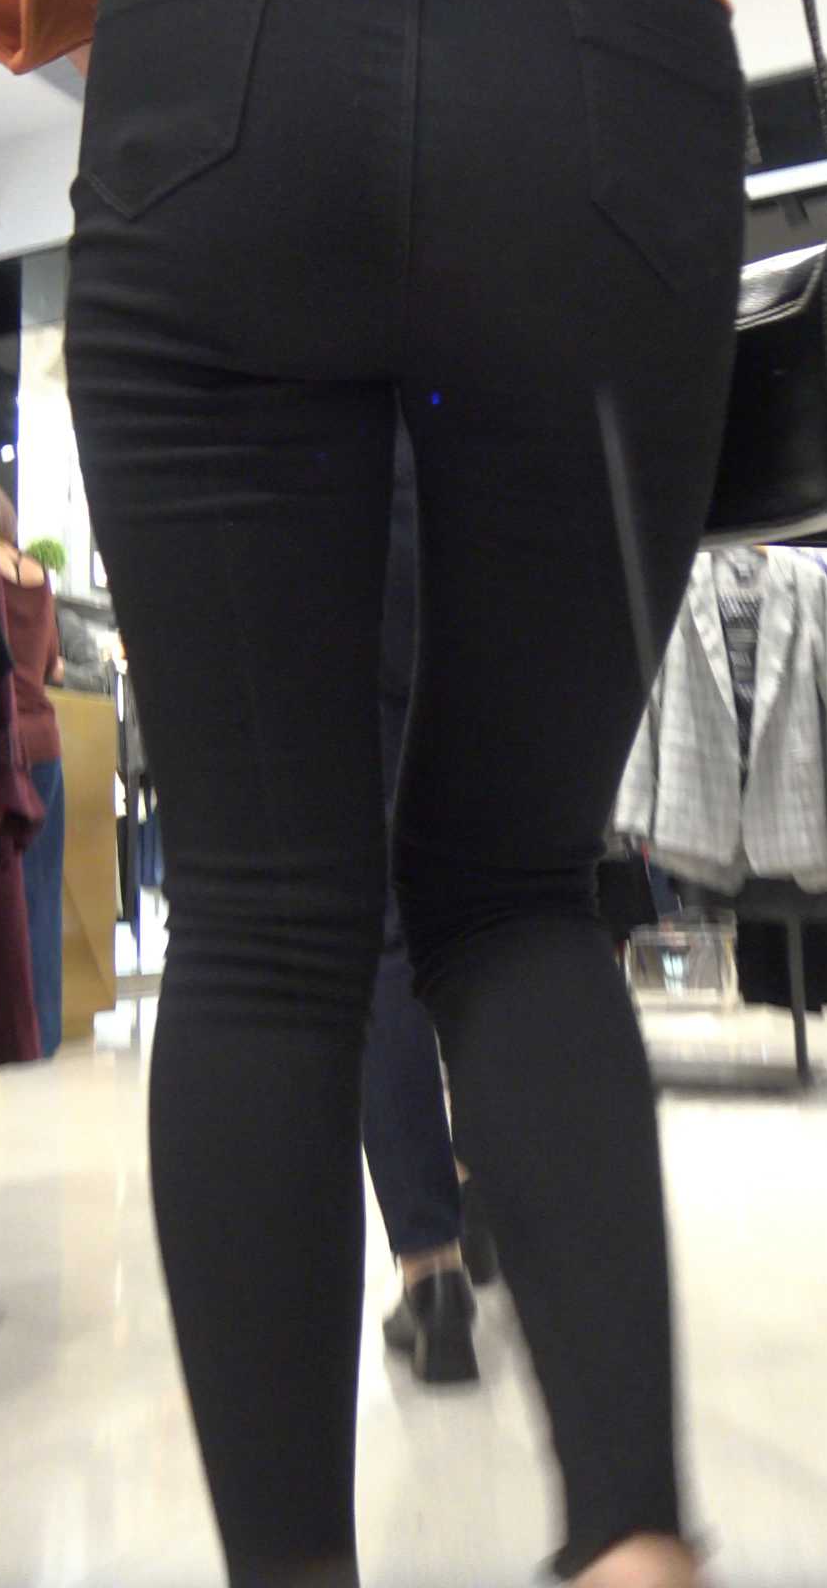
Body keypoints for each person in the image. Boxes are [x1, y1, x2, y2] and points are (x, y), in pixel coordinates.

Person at [0, 0, 827, 1586]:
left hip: (238, 35)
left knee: (265, 917)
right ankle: (636, 1551)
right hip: (604, 56)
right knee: (518, 888)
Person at [364, 420, 497, 1388]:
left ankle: (433, 1270)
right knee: (510, 910)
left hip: (349, 521)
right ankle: (480, 1178)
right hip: (488, 520)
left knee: (386, 938)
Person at [0, 477, 66, 1059]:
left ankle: (5, 1031)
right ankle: (47, 1031)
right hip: (46, 741)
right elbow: (54, 666)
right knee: (42, 889)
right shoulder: (39, 574)